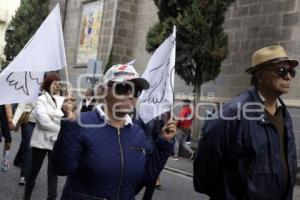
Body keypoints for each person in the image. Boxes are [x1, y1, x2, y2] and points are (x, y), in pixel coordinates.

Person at [52, 63, 176, 200]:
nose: (130, 95)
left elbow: (147, 176)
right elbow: (62, 168)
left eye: (136, 90)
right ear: (103, 91)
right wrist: (69, 125)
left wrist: (164, 143)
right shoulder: (82, 123)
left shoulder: (137, 132)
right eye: (123, 87)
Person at [193, 45, 298, 200]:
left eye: (291, 72)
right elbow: (206, 170)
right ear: (260, 76)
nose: (288, 77)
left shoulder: (283, 113)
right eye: (281, 71)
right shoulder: (232, 112)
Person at [23, 73, 64, 200]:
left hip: (55, 142)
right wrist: (58, 122)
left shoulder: (63, 100)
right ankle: (27, 197)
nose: (58, 86)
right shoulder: (40, 99)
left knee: (53, 173)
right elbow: (43, 122)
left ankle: (51, 198)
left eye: (59, 84)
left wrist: (53, 115)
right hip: (41, 142)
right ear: (48, 85)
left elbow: (66, 119)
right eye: (55, 84)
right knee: (34, 172)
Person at [12, 103, 36, 185]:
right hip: (28, 120)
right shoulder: (30, 90)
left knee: (30, 145)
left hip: (42, 123)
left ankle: (18, 160)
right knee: (28, 146)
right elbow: (21, 106)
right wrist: (14, 122)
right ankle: (25, 175)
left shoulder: (52, 92)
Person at [0, 104, 14, 172]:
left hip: (4, 116)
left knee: (8, 140)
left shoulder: (5, 94)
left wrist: (10, 120)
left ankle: (5, 161)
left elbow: (8, 106)